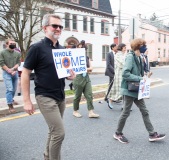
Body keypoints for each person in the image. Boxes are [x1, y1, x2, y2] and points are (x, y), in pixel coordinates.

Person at [21, 14, 75, 160]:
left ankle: (47, 156)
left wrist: (70, 75)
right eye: (54, 26)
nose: (58, 29)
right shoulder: (36, 48)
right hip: (44, 96)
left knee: (53, 131)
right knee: (59, 133)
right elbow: (25, 73)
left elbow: (63, 72)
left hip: (60, 96)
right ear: (45, 28)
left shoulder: (62, 49)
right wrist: (27, 101)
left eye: (60, 26)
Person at [113, 38, 165, 143]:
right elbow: (125, 74)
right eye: (143, 45)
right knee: (126, 113)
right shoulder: (130, 57)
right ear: (138, 46)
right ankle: (118, 133)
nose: (145, 47)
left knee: (145, 111)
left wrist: (146, 76)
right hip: (129, 89)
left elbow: (139, 74)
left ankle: (152, 134)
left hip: (137, 89)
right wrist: (141, 78)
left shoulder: (139, 57)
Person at [72, 43, 100, 118]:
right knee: (77, 95)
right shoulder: (74, 57)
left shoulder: (87, 57)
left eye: (83, 48)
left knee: (89, 95)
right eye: (79, 47)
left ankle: (91, 112)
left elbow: (91, 68)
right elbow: (74, 69)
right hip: (78, 78)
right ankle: (75, 111)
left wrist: (84, 69)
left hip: (86, 77)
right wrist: (86, 69)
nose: (81, 49)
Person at [0, 39, 21, 113]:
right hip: (6, 73)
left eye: (14, 44)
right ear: (6, 44)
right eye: (11, 43)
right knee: (10, 89)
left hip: (15, 73)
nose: (13, 45)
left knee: (14, 89)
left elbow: (18, 62)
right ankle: (10, 105)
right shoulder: (2, 53)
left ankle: (11, 99)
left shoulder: (17, 53)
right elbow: (1, 63)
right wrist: (9, 70)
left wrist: (14, 69)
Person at [107, 43, 127, 109]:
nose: (125, 49)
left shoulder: (123, 55)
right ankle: (110, 100)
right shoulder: (118, 55)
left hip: (124, 75)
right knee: (117, 90)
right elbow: (122, 64)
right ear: (121, 48)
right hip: (119, 75)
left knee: (124, 90)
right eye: (124, 48)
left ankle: (124, 105)